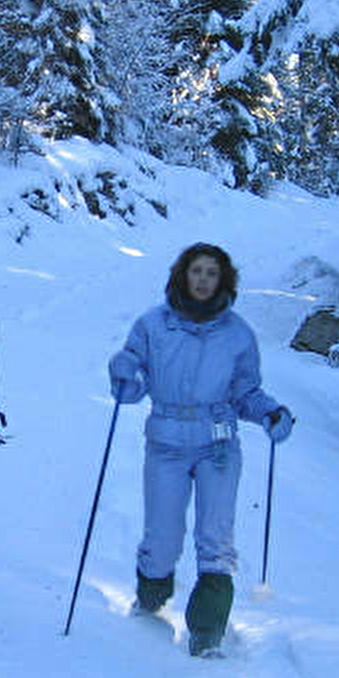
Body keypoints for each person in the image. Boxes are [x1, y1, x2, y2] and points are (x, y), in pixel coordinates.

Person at [108, 242, 294, 656]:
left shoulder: (238, 334)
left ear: (223, 280)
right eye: (197, 271)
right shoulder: (153, 325)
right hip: (166, 444)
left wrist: (270, 413)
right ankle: (151, 596)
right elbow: (131, 384)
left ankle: (208, 631)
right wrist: (122, 373)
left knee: (216, 538)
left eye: (212, 273)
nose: (204, 280)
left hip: (218, 446)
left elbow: (246, 392)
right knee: (162, 537)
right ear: (183, 274)